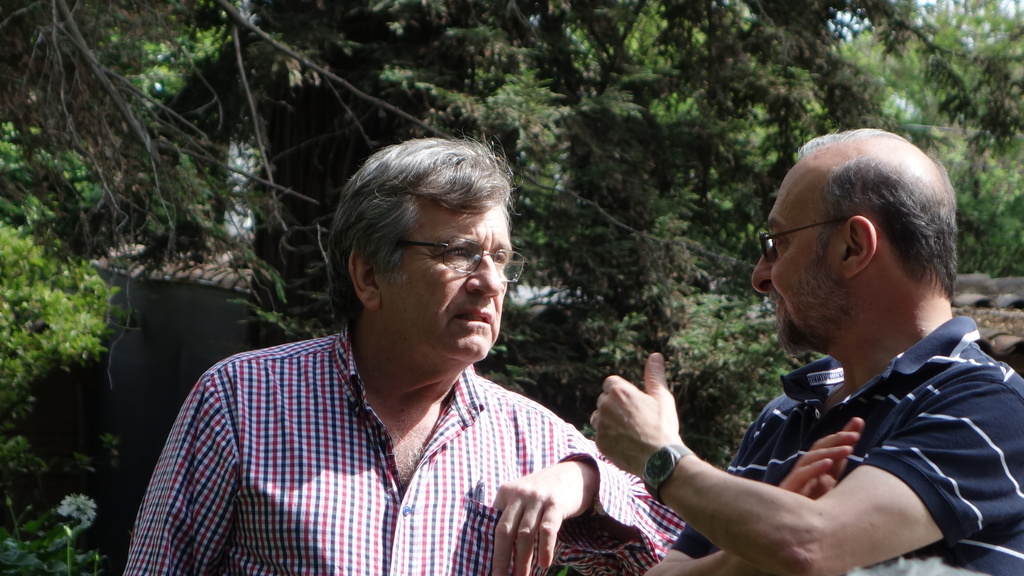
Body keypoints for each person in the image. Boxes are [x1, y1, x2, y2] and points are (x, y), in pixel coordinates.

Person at [124, 137, 685, 576]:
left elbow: (680, 551)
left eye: (500, 258)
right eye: (460, 253)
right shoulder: (243, 401)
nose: (491, 282)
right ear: (369, 276)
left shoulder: (530, 439)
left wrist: (584, 480)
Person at [591, 129, 1024, 575]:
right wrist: (758, 543)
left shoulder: (993, 407)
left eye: (776, 244)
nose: (760, 276)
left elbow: (814, 546)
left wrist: (660, 456)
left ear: (853, 247)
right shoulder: (784, 416)